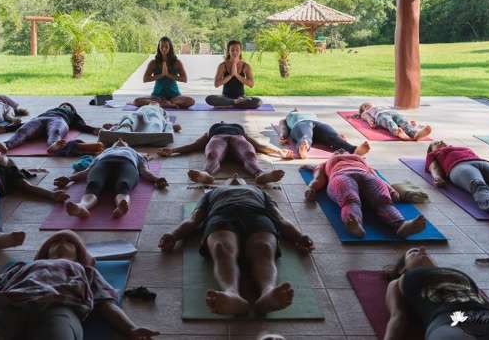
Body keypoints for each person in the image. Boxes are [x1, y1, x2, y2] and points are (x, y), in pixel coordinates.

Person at [0, 230, 160, 340]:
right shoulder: (21, 267)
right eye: (53, 243)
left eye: (69, 242)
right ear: (43, 252)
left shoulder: (86, 271)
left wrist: (132, 328)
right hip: (8, 307)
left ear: (80, 254)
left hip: (61, 308)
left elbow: (106, 305)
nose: (60, 244)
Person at [158, 176, 314, 315]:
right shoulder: (211, 193)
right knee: (220, 247)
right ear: (223, 184)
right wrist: (173, 235)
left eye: (239, 177)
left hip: (257, 215)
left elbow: (280, 219)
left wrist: (299, 236)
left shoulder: (260, 192)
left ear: (246, 183)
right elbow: (193, 220)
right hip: (221, 215)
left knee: (265, 248)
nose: (235, 177)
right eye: (231, 178)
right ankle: (231, 294)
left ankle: (268, 292)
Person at [383, 247, 489, 340]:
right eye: (414, 252)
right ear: (403, 268)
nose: (423, 250)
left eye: (425, 251)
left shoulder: (457, 274)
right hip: (448, 322)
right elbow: (398, 317)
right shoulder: (399, 281)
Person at [305, 151, 427, 238]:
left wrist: (389, 189)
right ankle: (355, 224)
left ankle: (401, 225)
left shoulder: (361, 161)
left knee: (382, 199)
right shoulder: (325, 164)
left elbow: (375, 175)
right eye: (336, 152)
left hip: (365, 175)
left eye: (345, 151)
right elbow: (318, 178)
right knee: (349, 198)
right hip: (340, 175)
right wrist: (311, 188)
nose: (340, 150)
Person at [54, 139, 168, 218]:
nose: (120, 140)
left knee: (123, 185)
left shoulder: (135, 153)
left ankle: (121, 206)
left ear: (128, 145)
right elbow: (87, 171)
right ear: (112, 145)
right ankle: (82, 207)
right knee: (93, 184)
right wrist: (69, 179)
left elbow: (144, 171)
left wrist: (156, 179)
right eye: (117, 140)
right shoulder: (104, 152)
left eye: (123, 140)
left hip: (127, 165)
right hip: (103, 164)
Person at [157, 121, 290, 185]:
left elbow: (258, 146)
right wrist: (173, 151)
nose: (224, 122)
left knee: (249, 154)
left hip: (238, 138)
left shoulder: (239, 128)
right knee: (212, 155)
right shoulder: (213, 129)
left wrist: (279, 152)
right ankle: (206, 175)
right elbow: (195, 145)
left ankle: (261, 174)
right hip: (218, 138)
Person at [426, 140, 489, 216]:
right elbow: (434, 167)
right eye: (435, 143)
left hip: (482, 163)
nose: (440, 142)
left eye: (441, 141)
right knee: (477, 183)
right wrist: (437, 177)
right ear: (431, 150)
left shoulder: (461, 148)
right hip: (458, 167)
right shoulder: (433, 154)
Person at [0, 102, 100, 155]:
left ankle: (53, 145)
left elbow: (81, 126)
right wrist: (7, 129)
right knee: (23, 131)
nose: (65, 106)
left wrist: (95, 130)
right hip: (41, 119)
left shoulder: (72, 115)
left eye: (68, 106)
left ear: (71, 110)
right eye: (63, 105)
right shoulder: (48, 111)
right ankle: (5, 145)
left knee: (55, 132)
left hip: (59, 120)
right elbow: (27, 123)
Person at [278, 108, 370, 159]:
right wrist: (283, 135)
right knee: (305, 136)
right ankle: (303, 149)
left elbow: (326, 130)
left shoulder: (311, 113)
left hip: (318, 125)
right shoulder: (288, 117)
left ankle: (354, 150)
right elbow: (283, 126)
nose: (296, 108)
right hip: (301, 124)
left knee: (333, 137)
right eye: (294, 109)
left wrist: (338, 134)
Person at [132, 37, 195, 109]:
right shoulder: (153, 63)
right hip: (157, 96)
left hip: (174, 96)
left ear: (170, 48)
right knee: (136, 101)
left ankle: (164, 104)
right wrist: (161, 75)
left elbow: (184, 79)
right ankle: (166, 104)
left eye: (166, 47)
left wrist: (168, 75)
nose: (164, 49)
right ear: (159, 47)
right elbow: (145, 79)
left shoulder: (177, 62)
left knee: (191, 101)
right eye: (162, 46)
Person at [206, 40, 262, 109]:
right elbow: (216, 84)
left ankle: (231, 104)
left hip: (241, 97)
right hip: (225, 97)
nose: (235, 52)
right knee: (209, 98)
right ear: (228, 51)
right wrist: (230, 75)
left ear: (240, 51)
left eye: (237, 50)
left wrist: (237, 75)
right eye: (232, 50)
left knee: (258, 101)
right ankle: (235, 102)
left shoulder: (246, 66)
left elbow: (251, 84)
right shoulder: (222, 66)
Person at [358, 102, 431, 141]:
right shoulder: (366, 112)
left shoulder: (382, 106)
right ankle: (398, 132)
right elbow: (367, 117)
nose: (368, 105)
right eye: (365, 105)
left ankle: (415, 133)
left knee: (403, 121)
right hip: (380, 115)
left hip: (394, 113)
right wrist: (371, 121)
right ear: (364, 108)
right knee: (389, 121)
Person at [106, 101, 181, 134]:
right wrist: (116, 125)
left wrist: (171, 127)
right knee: (131, 118)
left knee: (156, 122)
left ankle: (154, 133)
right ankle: (122, 131)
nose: (154, 102)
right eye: (152, 102)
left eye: (155, 102)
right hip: (141, 113)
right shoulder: (143, 107)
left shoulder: (161, 110)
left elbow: (166, 121)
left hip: (154, 114)